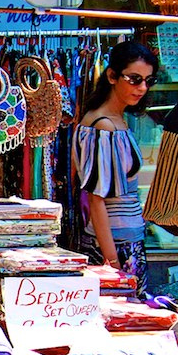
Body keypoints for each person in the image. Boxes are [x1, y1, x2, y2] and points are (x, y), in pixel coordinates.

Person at [74, 41, 160, 296]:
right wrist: (112, 264)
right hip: (115, 245)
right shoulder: (103, 126)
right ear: (112, 76)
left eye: (148, 80)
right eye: (134, 79)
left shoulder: (114, 121)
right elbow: (96, 197)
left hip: (125, 241)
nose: (142, 87)